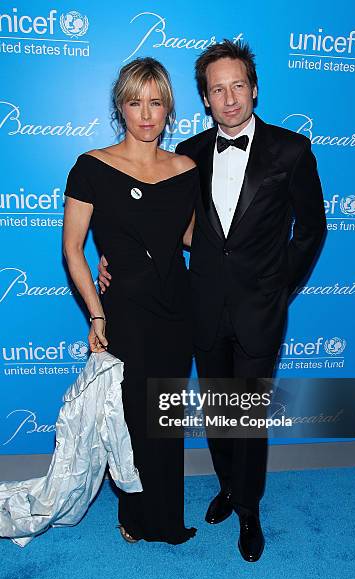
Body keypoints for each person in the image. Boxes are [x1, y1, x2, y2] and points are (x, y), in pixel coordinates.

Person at [99, 40, 327, 561]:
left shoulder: (292, 151)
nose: (229, 99)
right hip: (198, 305)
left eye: (237, 86)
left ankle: (249, 509)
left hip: (259, 308)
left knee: (247, 413)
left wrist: (278, 288)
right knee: (222, 412)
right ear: (205, 97)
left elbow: (311, 230)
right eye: (217, 89)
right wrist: (118, 257)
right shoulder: (190, 156)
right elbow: (162, 226)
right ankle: (226, 486)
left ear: (254, 89)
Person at [63, 57, 198, 545]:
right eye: (135, 102)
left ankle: (167, 518)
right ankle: (135, 515)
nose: (146, 113)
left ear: (168, 109)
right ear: (120, 107)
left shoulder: (186, 170)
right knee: (131, 414)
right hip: (123, 310)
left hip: (176, 308)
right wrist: (96, 313)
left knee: (165, 413)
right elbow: (72, 250)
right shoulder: (92, 167)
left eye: (156, 102)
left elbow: (188, 238)